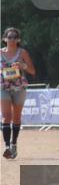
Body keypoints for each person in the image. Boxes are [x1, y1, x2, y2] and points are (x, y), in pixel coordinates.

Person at [2, 28, 35, 160]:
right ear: (4, 39)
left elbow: (33, 71)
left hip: (19, 87)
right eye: (9, 37)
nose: (12, 39)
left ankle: (14, 143)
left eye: (15, 37)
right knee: (6, 117)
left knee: (16, 117)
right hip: (3, 87)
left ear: (18, 40)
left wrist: (23, 66)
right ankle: (6, 147)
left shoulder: (23, 53)